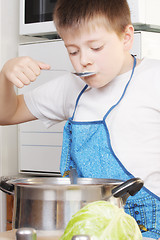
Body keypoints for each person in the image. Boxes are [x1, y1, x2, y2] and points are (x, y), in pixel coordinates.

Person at [0, 0, 160, 238]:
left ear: (126, 37)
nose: (83, 60)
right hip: (85, 226)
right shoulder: (70, 87)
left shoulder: (154, 78)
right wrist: (5, 77)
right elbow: (7, 114)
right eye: (72, 50)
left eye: (95, 47)